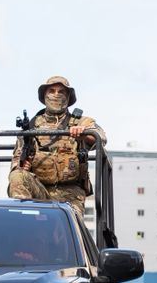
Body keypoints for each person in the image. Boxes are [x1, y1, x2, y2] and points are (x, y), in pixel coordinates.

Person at [8, 75, 106, 217]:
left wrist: (83, 133)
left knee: (65, 231)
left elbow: (101, 137)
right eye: (52, 91)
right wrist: (24, 167)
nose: (56, 95)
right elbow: (17, 164)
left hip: (71, 195)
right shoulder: (31, 127)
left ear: (68, 97)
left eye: (61, 92)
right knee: (17, 176)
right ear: (44, 95)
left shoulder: (80, 122)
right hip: (40, 192)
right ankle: (25, 226)